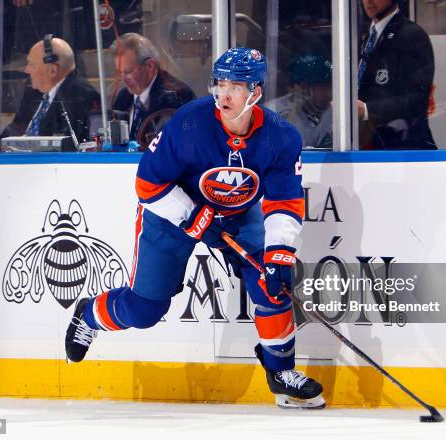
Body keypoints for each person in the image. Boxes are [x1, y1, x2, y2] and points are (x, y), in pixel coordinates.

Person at [65, 47, 325, 409]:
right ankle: (90, 314)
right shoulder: (189, 123)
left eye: (235, 85)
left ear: (256, 92)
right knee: (145, 310)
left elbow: (284, 201)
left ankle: (280, 372)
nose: (224, 94)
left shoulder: (281, 137)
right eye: (220, 83)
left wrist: (280, 255)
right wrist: (197, 220)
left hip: (238, 210)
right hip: (171, 213)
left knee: (271, 279)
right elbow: (149, 184)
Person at [0, 35, 101, 151]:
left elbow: (79, 148)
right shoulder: (33, 92)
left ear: (53, 70)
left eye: (31, 65)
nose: (26, 70)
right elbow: (13, 131)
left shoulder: (82, 96)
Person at [357, 0, 436, 149]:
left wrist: (367, 110)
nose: (368, 0)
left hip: (403, 150)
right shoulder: (362, 35)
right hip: (367, 145)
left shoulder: (412, 36)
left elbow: (416, 101)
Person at [111, 33, 195, 144]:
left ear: (150, 65)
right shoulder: (123, 97)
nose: (123, 79)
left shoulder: (177, 98)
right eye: (119, 73)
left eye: (128, 72)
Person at [269, 54, 333, 148]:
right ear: (302, 87)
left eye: (330, 86)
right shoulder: (273, 114)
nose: (328, 94)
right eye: (322, 86)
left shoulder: (329, 110)